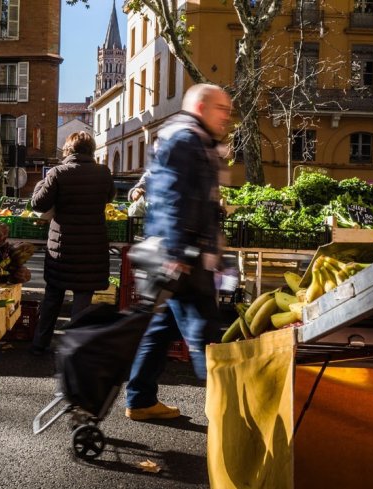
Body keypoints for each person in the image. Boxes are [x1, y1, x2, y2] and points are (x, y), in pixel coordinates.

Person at [125, 83, 232, 421]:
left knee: (162, 329)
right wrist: (177, 253)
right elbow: (173, 199)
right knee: (205, 335)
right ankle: (228, 415)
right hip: (185, 256)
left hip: (186, 254)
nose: (227, 117)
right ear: (201, 107)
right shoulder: (185, 140)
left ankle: (140, 399)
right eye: (222, 110)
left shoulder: (194, 139)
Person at [30, 131, 116, 355]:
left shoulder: (58, 173)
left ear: (68, 150)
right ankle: (74, 350)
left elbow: (38, 204)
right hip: (92, 247)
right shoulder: (103, 173)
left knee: (53, 297)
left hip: (62, 246)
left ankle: (40, 344)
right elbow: (110, 197)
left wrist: (43, 181)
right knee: (82, 299)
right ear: (91, 150)